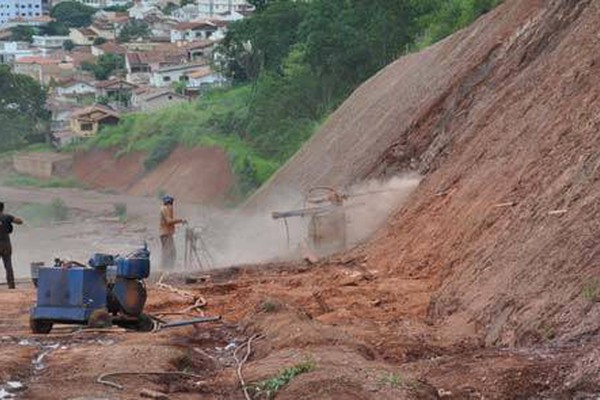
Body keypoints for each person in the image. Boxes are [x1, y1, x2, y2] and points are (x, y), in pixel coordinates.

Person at [0, 202, 23, 289]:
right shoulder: (7, 216)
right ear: (3, 208)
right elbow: (20, 221)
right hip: (6, 243)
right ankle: (11, 285)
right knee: (8, 265)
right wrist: (10, 220)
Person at [159, 195, 185, 269]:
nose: (172, 205)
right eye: (171, 203)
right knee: (169, 253)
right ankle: (166, 269)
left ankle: (167, 268)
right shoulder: (165, 209)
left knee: (169, 252)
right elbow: (169, 221)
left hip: (167, 233)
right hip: (165, 234)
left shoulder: (166, 209)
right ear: (168, 203)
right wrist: (180, 220)